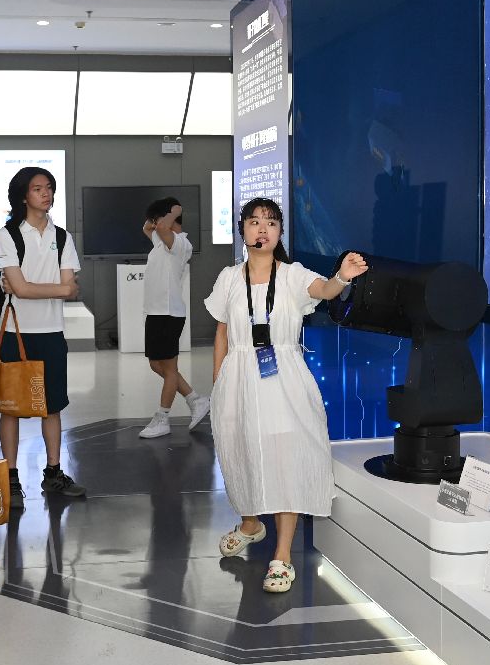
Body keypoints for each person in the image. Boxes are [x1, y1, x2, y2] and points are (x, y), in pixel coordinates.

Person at [205, 198, 368, 594]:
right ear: (242, 230)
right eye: (254, 222)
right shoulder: (229, 278)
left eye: (271, 223)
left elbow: (324, 290)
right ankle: (250, 524)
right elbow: (222, 331)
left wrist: (342, 277)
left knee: (285, 458)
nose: (262, 229)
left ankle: (282, 555)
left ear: (280, 233)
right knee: (240, 450)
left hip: (283, 377)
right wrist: (218, 383)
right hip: (238, 377)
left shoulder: (293, 275)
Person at [0, 166, 84, 505]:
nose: (46, 194)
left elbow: (68, 289)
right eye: (37, 188)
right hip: (15, 333)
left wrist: (32, 288)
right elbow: (22, 288)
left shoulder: (62, 236)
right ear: (23, 195)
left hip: (52, 332)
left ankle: (53, 473)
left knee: (53, 407)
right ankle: (11, 478)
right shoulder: (8, 235)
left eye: (49, 188)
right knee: (11, 408)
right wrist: (55, 288)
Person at [137, 197, 210, 439]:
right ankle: (195, 400)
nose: (156, 224)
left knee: (169, 369)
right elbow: (147, 227)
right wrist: (157, 215)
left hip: (169, 313)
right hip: (156, 312)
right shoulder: (160, 241)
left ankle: (162, 418)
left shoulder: (180, 243)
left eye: (159, 219)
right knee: (156, 364)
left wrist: (175, 211)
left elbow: (159, 226)